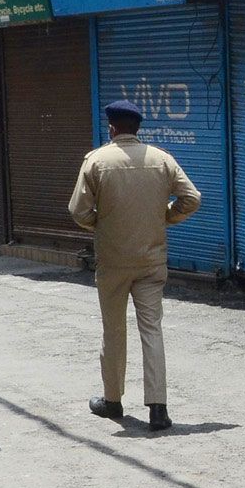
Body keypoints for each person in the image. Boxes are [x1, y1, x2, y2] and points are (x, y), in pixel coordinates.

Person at [69, 98, 202, 432]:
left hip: (113, 261)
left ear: (112, 128)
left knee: (113, 331)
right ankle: (158, 409)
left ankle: (112, 400)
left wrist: (102, 224)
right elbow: (192, 198)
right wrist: (165, 217)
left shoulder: (97, 161)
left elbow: (78, 210)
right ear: (137, 128)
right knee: (152, 330)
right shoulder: (162, 160)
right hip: (151, 259)